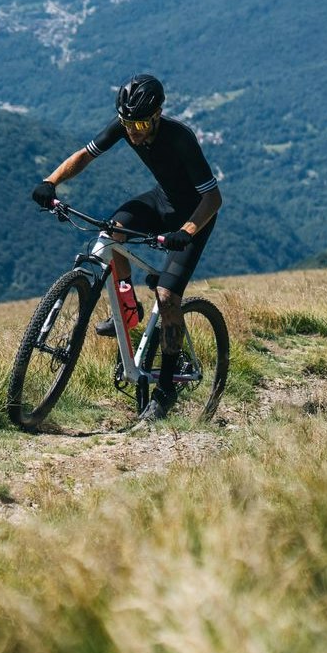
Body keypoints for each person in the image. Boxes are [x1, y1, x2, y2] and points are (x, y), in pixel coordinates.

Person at [30, 73, 222, 423]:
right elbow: (85, 155)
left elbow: (213, 198)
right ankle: (128, 307)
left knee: (167, 297)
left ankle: (166, 389)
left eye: (141, 124)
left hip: (195, 217)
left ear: (157, 115)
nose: (133, 131)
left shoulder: (180, 138)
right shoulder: (125, 125)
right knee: (111, 234)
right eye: (128, 123)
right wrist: (51, 181)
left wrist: (187, 231)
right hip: (162, 201)